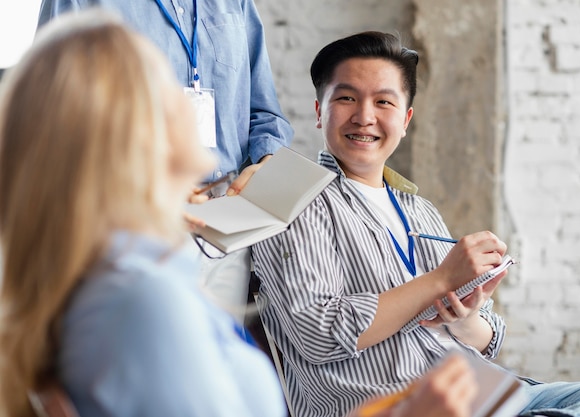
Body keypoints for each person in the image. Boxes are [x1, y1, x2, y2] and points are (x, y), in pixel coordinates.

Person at [0, 12, 478, 417]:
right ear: (142, 138)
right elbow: (319, 332)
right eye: (169, 96)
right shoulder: (142, 302)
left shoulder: (131, 283)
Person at [251, 30, 580, 417]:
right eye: (346, 98)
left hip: (491, 391)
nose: (364, 116)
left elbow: (487, 339)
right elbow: (318, 332)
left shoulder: (418, 209)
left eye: (383, 101)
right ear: (319, 111)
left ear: (406, 119)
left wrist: (465, 317)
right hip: (410, 405)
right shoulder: (296, 200)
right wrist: (441, 280)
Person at [38, 0, 294, 322]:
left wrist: (266, 163)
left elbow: (264, 112)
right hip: (133, 222)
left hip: (228, 220)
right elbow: (54, 117)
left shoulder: (236, 3)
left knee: (215, 353)